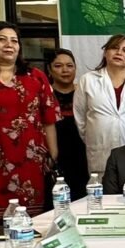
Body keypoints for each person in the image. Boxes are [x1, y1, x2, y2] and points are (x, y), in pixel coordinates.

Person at [0, 21, 60, 219]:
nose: (9, 45)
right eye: (1, 39)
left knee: (33, 221)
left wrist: (53, 154)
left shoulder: (35, 76)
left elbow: (48, 118)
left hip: (31, 159)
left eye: (14, 41)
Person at [74, 34, 125, 176]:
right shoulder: (88, 80)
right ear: (105, 53)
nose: (119, 53)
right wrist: (95, 135)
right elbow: (80, 119)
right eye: (114, 48)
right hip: (100, 151)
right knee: (101, 188)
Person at [46, 49, 88, 199]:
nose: (65, 70)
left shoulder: (84, 93)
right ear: (49, 70)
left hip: (84, 155)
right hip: (55, 157)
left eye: (70, 66)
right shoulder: (44, 95)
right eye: (58, 66)